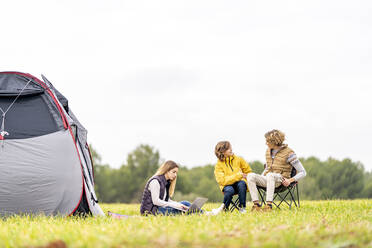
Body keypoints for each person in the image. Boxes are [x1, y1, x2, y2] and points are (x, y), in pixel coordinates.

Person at [246, 129, 307, 211]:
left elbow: (303, 172)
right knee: (250, 175)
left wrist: (290, 180)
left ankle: (268, 206)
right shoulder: (268, 151)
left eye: (267, 141)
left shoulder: (289, 153)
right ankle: (256, 206)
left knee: (270, 175)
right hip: (268, 179)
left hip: (281, 181)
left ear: (274, 141)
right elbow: (267, 168)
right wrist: (259, 178)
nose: (266, 143)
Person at [213, 141, 252, 214]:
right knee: (229, 190)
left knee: (242, 184)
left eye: (230, 147)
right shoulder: (218, 165)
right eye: (228, 148)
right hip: (226, 186)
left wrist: (247, 176)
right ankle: (225, 208)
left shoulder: (239, 159)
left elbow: (248, 172)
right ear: (222, 152)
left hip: (239, 184)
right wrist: (238, 175)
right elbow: (222, 181)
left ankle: (242, 207)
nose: (231, 149)